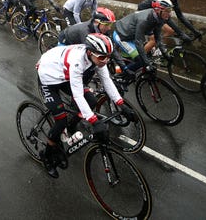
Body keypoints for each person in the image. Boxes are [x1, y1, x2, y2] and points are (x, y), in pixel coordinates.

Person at [36, 33, 135, 178]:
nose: (105, 61)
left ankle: (71, 125)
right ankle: (47, 155)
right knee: (60, 119)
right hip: (48, 78)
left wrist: (121, 104)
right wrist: (94, 121)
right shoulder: (77, 61)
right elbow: (77, 95)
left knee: (92, 101)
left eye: (108, 57)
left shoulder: (98, 58)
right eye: (102, 57)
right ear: (90, 52)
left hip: (64, 75)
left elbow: (107, 81)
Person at [112, 0, 190, 76]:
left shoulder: (159, 18)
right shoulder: (144, 20)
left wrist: (165, 54)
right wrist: (147, 63)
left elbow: (158, 37)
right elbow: (138, 42)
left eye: (170, 10)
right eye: (168, 10)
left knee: (138, 60)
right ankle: (120, 76)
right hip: (121, 36)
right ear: (158, 10)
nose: (169, 13)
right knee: (141, 60)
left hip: (131, 35)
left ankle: (125, 70)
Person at [137, 0, 201, 56]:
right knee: (154, 39)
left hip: (154, 14)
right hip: (143, 14)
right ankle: (139, 59)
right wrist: (181, 34)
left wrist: (195, 31)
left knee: (170, 31)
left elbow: (180, 16)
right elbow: (167, 19)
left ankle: (157, 49)